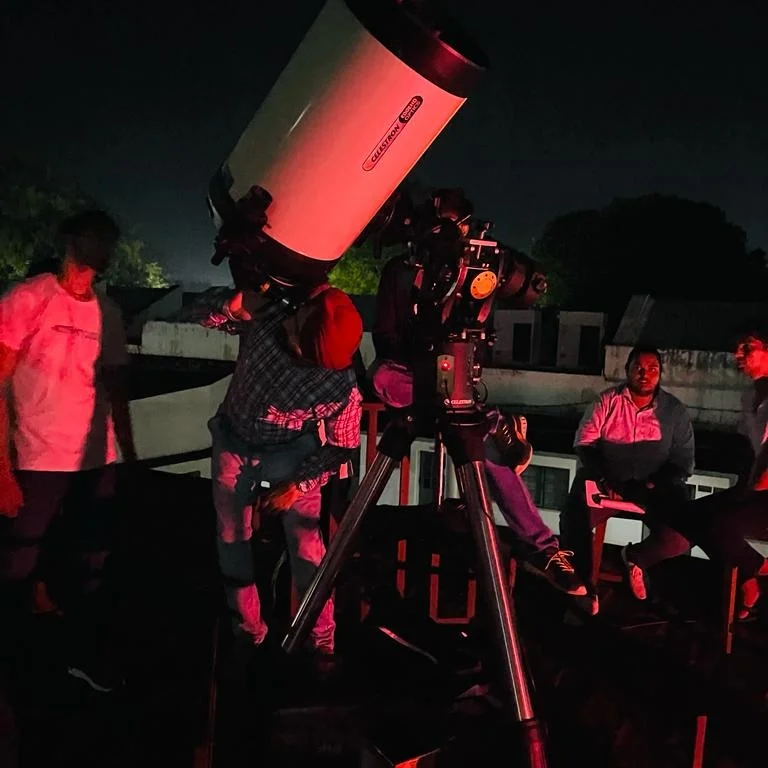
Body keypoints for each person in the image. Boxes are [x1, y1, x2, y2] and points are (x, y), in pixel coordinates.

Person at [369, 189, 587, 598]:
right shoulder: (401, 271)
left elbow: (521, 293)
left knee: (489, 452)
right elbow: (385, 339)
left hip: (457, 380)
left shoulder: (482, 266)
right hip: (411, 373)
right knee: (386, 378)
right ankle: (493, 424)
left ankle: (542, 549)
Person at [0, 210, 136, 692]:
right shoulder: (28, 299)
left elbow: (115, 388)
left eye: (110, 240)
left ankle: (79, 658)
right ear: (71, 239)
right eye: (98, 237)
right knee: (19, 561)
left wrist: (128, 450)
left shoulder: (109, 312)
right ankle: (15, 662)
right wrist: (2, 469)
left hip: (97, 458)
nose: (106, 248)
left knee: (90, 561)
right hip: (38, 457)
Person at [204, 281, 363, 672]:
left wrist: (298, 485)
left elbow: (342, 446)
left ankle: (321, 640)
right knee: (231, 538)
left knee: (308, 546)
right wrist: (231, 305)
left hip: (292, 449)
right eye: (304, 350)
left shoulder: (340, 386)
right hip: (233, 439)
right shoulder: (266, 314)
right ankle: (248, 634)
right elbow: (202, 315)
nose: (305, 363)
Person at [560, 346, 695, 604]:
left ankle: (637, 558)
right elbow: (584, 444)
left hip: (653, 489)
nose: (645, 375)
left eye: (652, 369)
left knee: (686, 531)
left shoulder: (674, 411)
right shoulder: (606, 401)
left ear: (660, 374)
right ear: (627, 371)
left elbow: (683, 462)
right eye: (638, 368)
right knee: (572, 518)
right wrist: (606, 479)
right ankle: (583, 590)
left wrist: (652, 484)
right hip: (608, 482)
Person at [664, 327, 768, 619]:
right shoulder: (750, 395)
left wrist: (750, 491)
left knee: (721, 525)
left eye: (747, 348)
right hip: (754, 485)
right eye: (736, 349)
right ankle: (750, 574)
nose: (738, 355)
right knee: (689, 515)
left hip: (764, 490)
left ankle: (752, 578)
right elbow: (750, 448)